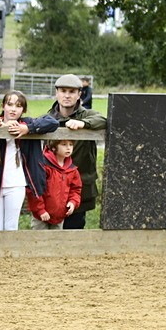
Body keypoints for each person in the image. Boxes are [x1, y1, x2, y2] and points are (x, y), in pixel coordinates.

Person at [0, 91, 58, 231]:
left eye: (18, 106)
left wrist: (27, 128)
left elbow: (53, 122)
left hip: (16, 184)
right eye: (10, 104)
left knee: (11, 227)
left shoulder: (26, 123)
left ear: (23, 110)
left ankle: (8, 253)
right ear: (3, 106)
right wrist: (1, 131)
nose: (13, 109)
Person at [46, 73, 107, 230]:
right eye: (63, 91)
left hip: (79, 185)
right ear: (56, 93)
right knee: (50, 232)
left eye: (72, 92)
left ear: (79, 94)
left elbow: (103, 120)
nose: (67, 96)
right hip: (52, 187)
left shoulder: (88, 115)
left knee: (74, 228)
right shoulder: (48, 117)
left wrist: (83, 123)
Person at [26, 139, 82, 230]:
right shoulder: (43, 166)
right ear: (53, 148)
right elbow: (34, 189)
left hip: (59, 217)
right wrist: (40, 210)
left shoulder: (73, 170)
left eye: (71, 144)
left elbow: (76, 189)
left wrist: (73, 202)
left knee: (56, 243)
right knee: (39, 242)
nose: (68, 148)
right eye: (64, 144)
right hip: (41, 216)